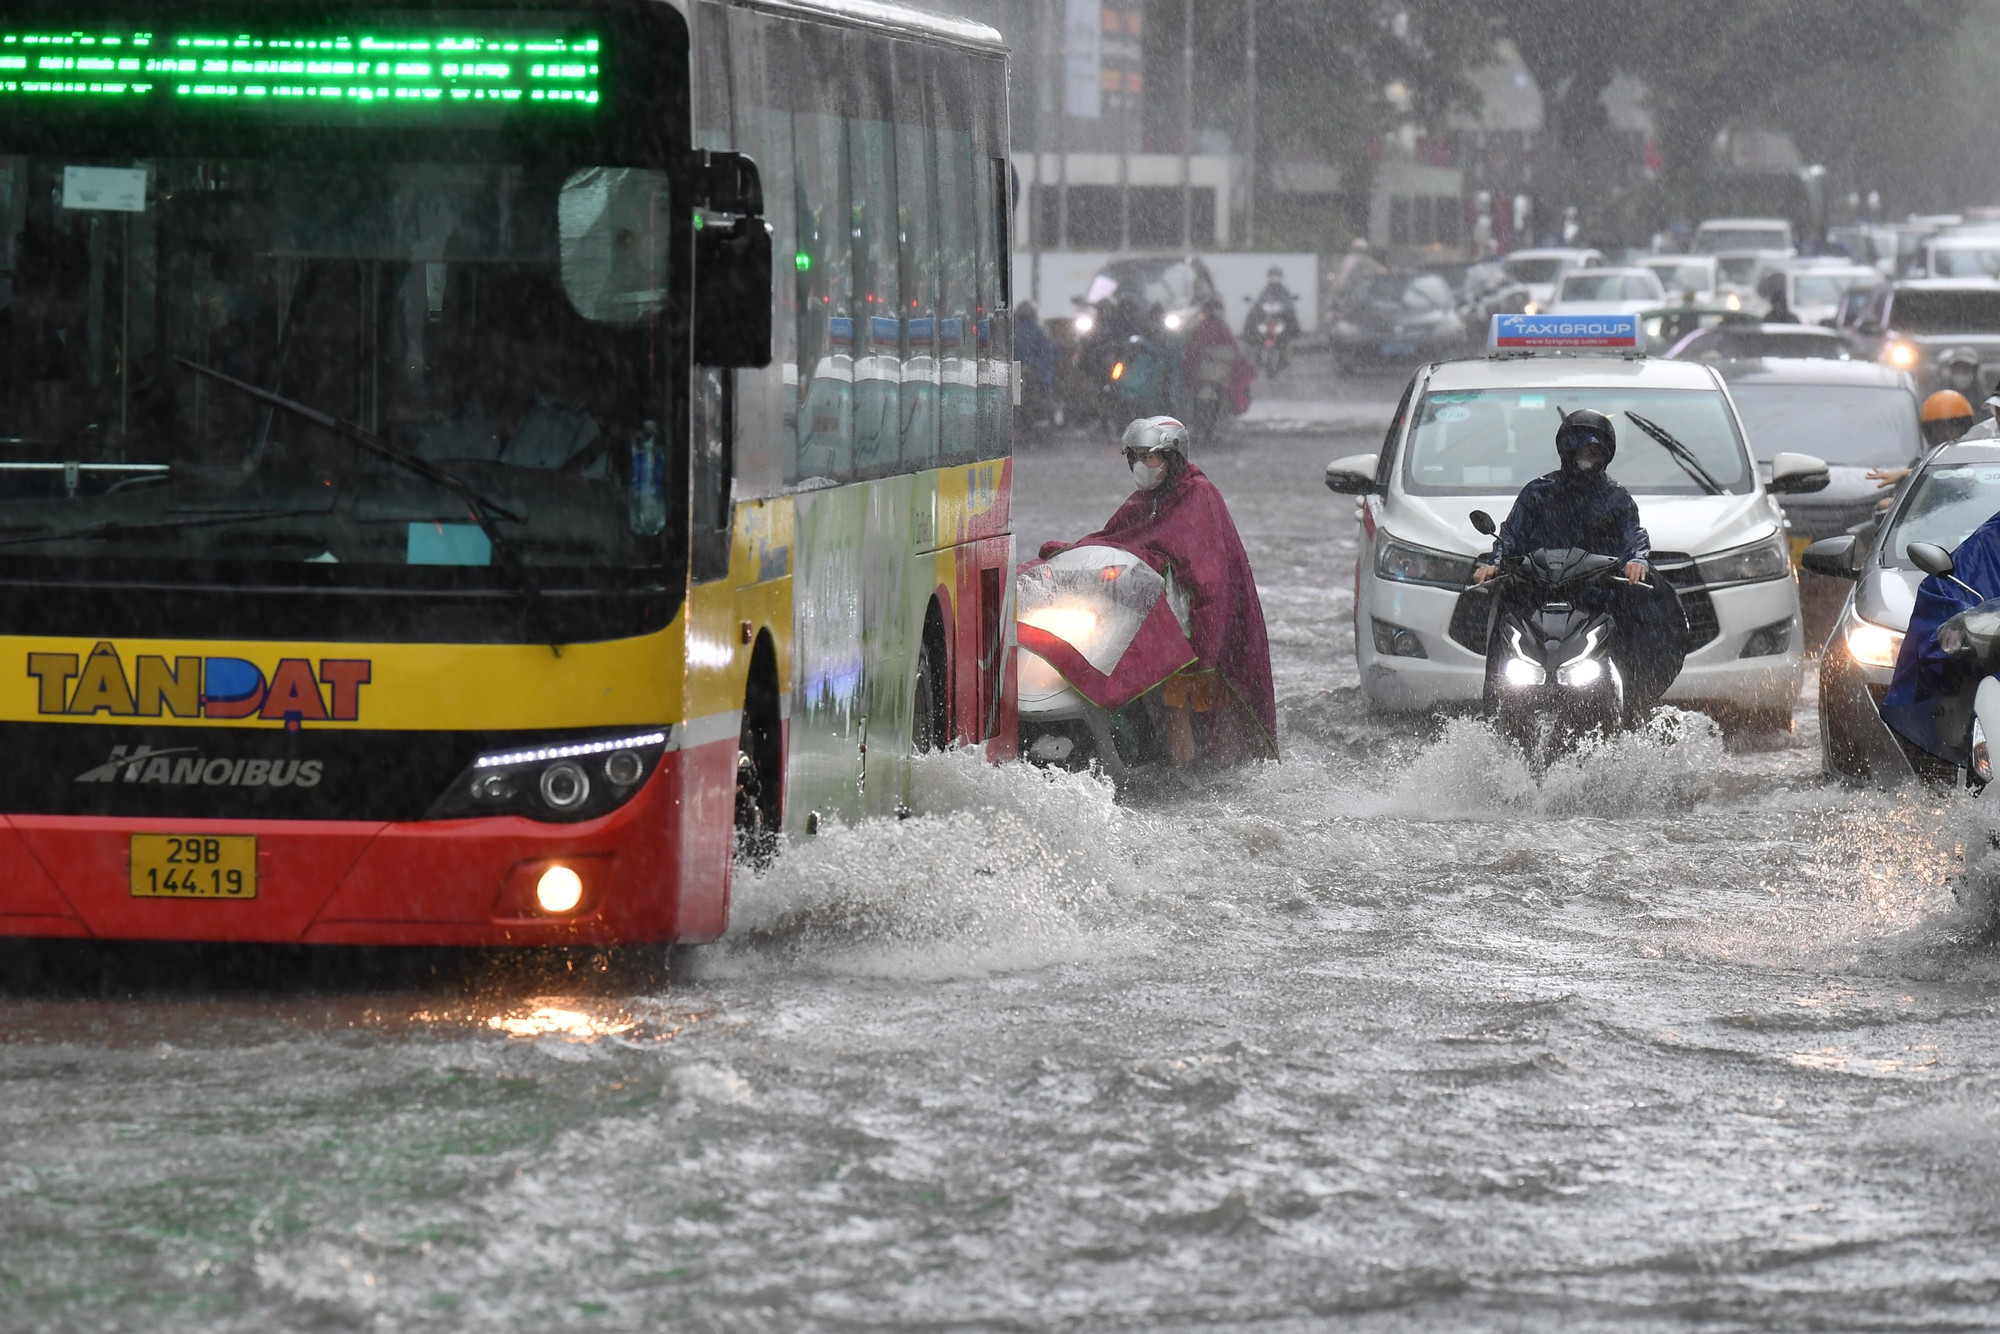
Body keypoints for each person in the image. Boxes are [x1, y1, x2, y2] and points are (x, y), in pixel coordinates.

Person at [1039, 416, 1277, 764]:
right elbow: (1117, 540)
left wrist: (1204, 650)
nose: (1141, 465)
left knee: (1179, 708)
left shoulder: (1199, 496)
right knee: (1167, 708)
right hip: (1158, 621)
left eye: (1149, 456)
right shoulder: (1144, 500)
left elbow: (1205, 573)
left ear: (1173, 456)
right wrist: (1072, 555)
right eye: (1134, 457)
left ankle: (1190, 777)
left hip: (1188, 628)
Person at [1472, 408, 1686, 710]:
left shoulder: (1616, 498)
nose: (1586, 457)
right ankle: (1494, 710)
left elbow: (1633, 536)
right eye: (1581, 449)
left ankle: (1631, 705)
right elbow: (1510, 536)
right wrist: (1495, 563)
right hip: (1537, 597)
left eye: (1594, 451)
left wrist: (1636, 561)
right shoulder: (1537, 493)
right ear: (1565, 450)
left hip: (1595, 599)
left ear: (1606, 455)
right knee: (1503, 627)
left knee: (1637, 621)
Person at [1868, 390, 1975, 501]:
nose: (1946, 433)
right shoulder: (1920, 463)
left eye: (1952, 426)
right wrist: (1890, 502)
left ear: (1965, 426)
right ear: (1929, 431)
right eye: (1939, 428)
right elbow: (1903, 499)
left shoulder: (1977, 458)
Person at [1179, 296, 1249, 443]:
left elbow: (1192, 353)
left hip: (1204, 377)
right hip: (1221, 378)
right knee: (1218, 400)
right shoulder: (1222, 329)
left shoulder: (1201, 329)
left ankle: (1201, 427)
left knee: (1198, 400)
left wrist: (1187, 372)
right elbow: (1236, 354)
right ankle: (1212, 427)